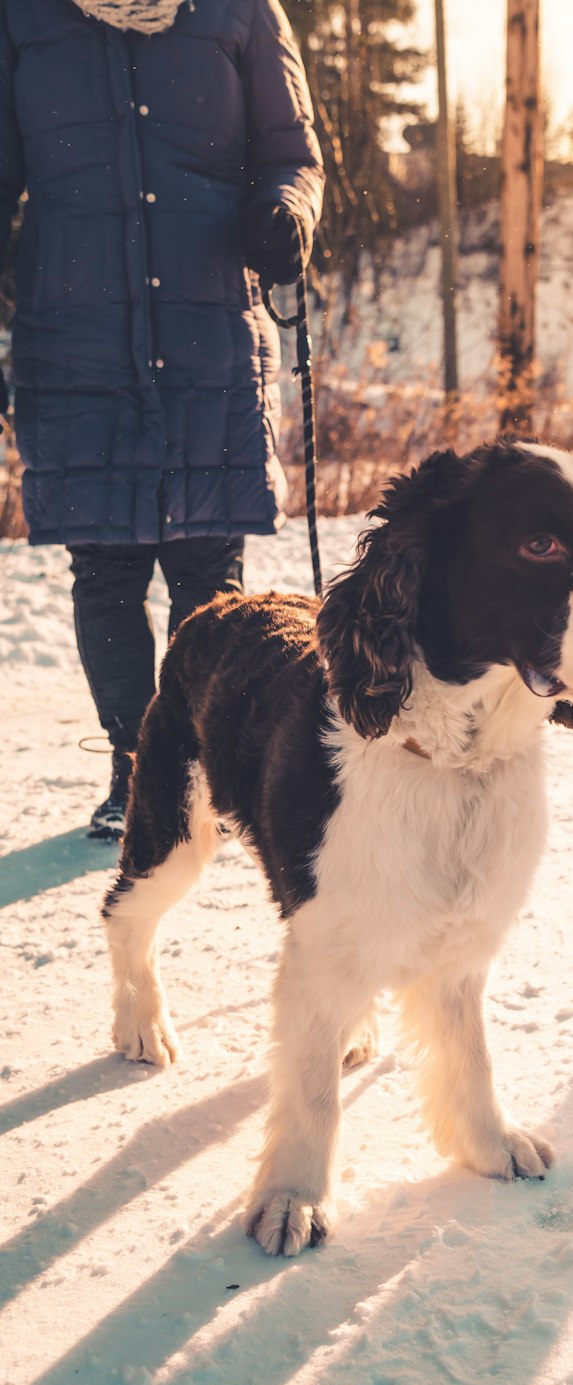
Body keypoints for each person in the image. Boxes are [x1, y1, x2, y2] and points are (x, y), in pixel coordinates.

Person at [0, 0, 324, 838]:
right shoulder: (25, 18)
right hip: (75, 336)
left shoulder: (240, 12)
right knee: (103, 568)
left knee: (206, 568)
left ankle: (205, 764)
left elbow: (291, 155)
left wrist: (287, 213)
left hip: (205, 326)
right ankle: (137, 768)